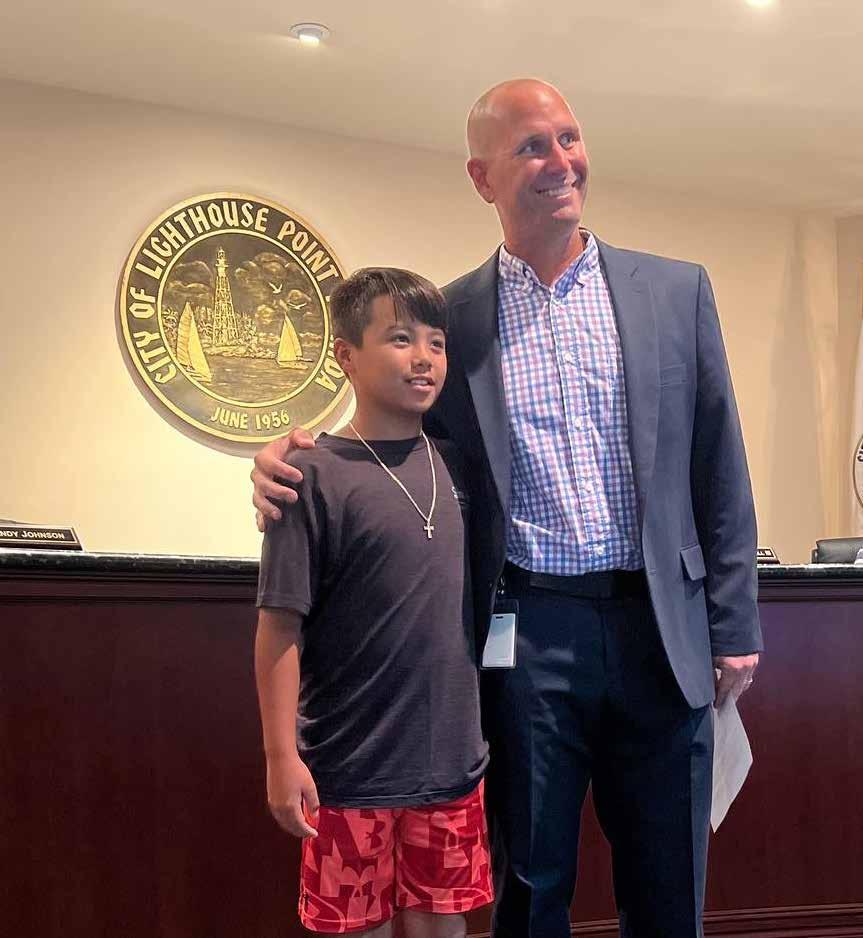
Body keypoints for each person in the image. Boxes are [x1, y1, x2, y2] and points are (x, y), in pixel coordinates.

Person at [252, 79, 762, 938]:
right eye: (531, 146)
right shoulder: (452, 319)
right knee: (529, 883)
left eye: (568, 138)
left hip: (662, 629)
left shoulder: (676, 292)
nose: (560, 161)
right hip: (523, 634)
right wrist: (285, 459)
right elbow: (392, 430)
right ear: (481, 177)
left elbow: (719, 463)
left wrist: (733, 621)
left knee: (669, 884)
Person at [255, 268, 492, 937]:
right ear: (346, 355)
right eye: (399, 338)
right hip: (348, 767)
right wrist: (280, 757)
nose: (424, 357)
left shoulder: (461, 464)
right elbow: (279, 628)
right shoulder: (308, 475)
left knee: (442, 928)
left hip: (452, 765)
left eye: (436, 343)